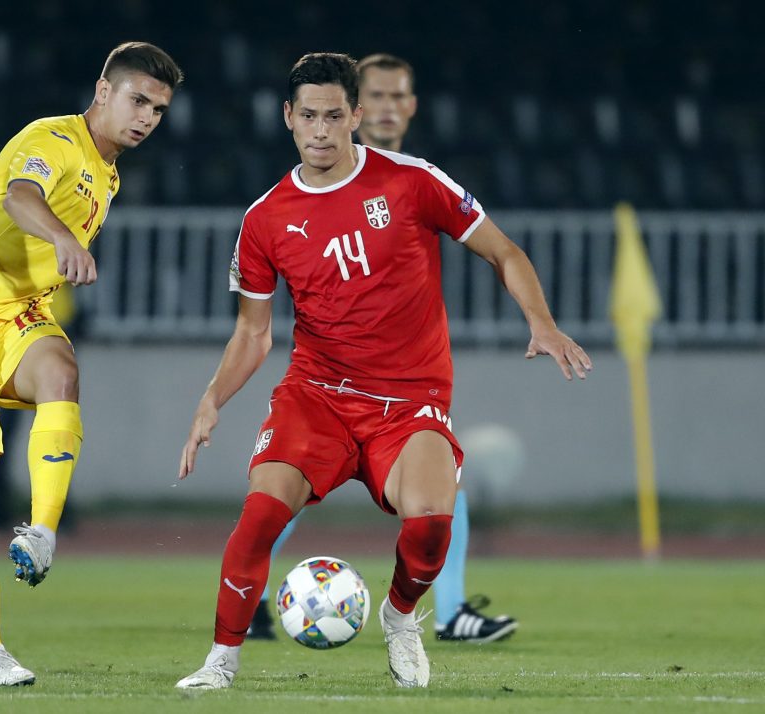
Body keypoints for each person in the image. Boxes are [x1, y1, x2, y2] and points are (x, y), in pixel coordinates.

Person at [175, 52, 590, 690]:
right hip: (316, 396)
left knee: (430, 523)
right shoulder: (264, 218)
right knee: (258, 518)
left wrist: (542, 322)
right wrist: (212, 400)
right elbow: (253, 333)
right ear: (287, 117)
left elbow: (503, 251)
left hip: (409, 400)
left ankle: (399, 617)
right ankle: (220, 662)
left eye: (332, 116)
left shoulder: (412, 181)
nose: (319, 130)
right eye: (308, 116)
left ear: (355, 116)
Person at [0, 42, 182, 687]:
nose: (147, 117)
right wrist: (61, 237)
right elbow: (19, 197)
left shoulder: (107, 174)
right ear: (103, 91)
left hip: (13, 313)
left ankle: (42, 534)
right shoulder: (53, 139)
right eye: (138, 100)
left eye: (159, 109)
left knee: (62, 370)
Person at [248, 52, 519, 644]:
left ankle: (446, 611)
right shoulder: (315, 179)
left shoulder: (411, 178)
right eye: (378, 96)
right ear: (354, 109)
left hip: (407, 381)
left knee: (442, 487)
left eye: (400, 97)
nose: (389, 108)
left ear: (412, 106)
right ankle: (255, 592)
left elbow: (492, 246)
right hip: (333, 382)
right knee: (286, 491)